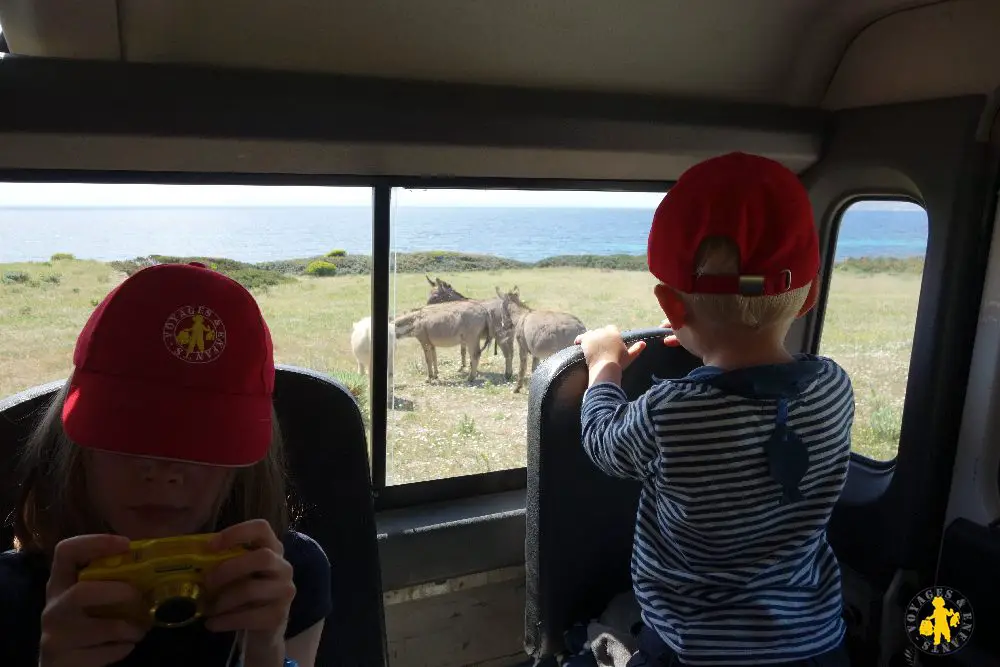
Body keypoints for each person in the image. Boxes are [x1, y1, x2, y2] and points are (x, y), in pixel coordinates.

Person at [575, 153, 854, 666]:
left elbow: (603, 441)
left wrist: (604, 366)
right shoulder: (834, 388)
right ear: (811, 293)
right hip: (816, 641)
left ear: (670, 306)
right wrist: (714, 347)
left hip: (694, 648)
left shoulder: (671, 412)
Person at [0, 262, 332, 667]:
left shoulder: (284, 580)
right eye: (128, 432)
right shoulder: (13, 598)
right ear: (75, 449)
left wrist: (264, 655)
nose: (163, 469)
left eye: (204, 441)